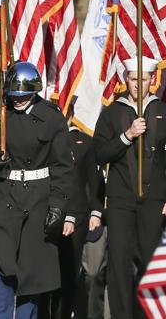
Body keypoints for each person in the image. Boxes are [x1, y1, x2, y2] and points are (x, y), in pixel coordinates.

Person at [0, 61, 74, 319]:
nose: (18, 101)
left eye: (24, 96)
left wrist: (57, 207)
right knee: (3, 269)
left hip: (37, 200)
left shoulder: (52, 117)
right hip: (2, 197)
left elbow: (63, 168)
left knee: (32, 277)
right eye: (14, 96)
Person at [92, 58, 166, 319]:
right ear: (126, 80)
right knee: (119, 265)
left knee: (150, 264)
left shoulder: (164, 113)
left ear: (151, 80)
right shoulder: (111, 113)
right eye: (133, 79)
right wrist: (127, 136)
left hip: (154, 201)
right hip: (120, 200)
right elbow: (99, 155)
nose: (138, 85)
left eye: (143, 79)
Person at [51, 105, 103, 319]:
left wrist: (96, 212)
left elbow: (93, 179)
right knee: (49, 273)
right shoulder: (45, 139)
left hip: (77, 216)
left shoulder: (84, 142)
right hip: (48, 214)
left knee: (70, 272)